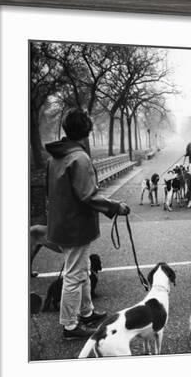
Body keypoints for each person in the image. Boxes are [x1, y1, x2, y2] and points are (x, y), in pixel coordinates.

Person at [45, 108, 130, 340]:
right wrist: (115, 207)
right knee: (74, 275)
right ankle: (70, 325)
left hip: (63, 222)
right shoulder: (79, 158)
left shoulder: (57, 156)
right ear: (87, 132)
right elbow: (88, 196)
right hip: (76, 225)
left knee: (81, 270)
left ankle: (86, 311)